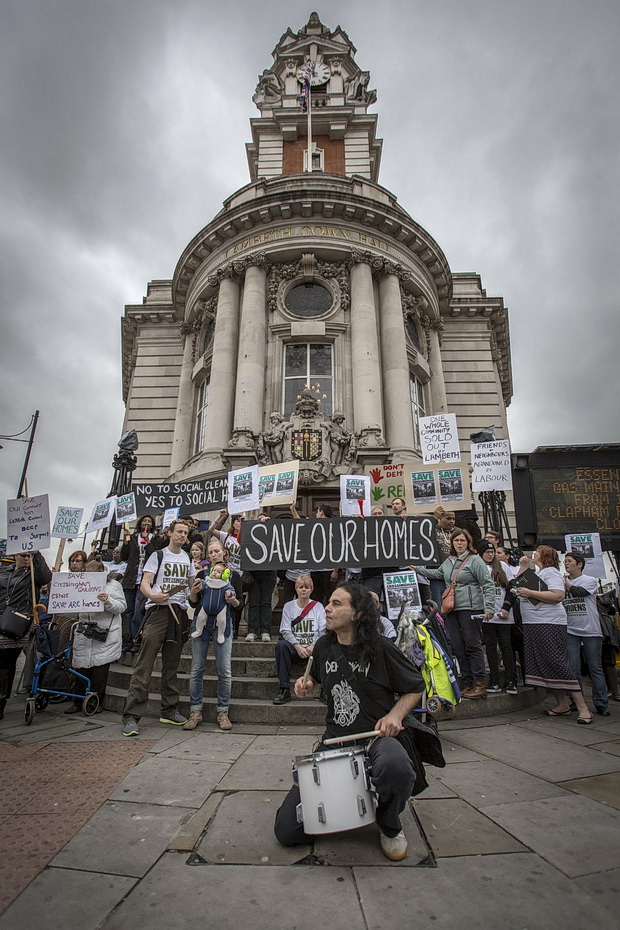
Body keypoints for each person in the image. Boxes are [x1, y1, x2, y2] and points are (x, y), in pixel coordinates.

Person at [274, 583, 424, 861]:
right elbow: (316, 677)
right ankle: (349, 800)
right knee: (287, 832)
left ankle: (389, 824)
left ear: (356, 614)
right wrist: (306, 683)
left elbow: (415, 686)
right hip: (335, 742)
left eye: (336, 604)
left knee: (396, 766)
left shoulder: (381, 648)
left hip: (376, 739)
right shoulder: (323, 646)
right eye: (328, 602)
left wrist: (394, 716)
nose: (327, 608)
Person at [121, 521, 199, 736]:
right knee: (144, 666)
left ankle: (169, 710)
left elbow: (192, 589)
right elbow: (145, 583)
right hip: (157, 613)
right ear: (170, 533)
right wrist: (153, 595)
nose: (183, 535)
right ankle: (131, 716)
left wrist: (196, 591)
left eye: (186, 533)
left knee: (171, 666)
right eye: (179, 532)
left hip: (179, 615)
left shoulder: (187, 559)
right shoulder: (158, 555)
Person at [513, 546, 592, 724]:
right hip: (533, 622)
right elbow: (517, 583)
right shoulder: (539, 573)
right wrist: (524, 566)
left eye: (537, 552)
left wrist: (530, 592)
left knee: (556, 661)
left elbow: (557, 596)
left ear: (545, 556)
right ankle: (561, 704)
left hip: (548, 622)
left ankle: (582, 707)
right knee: (546, 663)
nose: (533, 554)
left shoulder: (552, 573)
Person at [417, 528, 495, 699]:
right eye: (456, 540)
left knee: (472, 645)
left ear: (468, 543)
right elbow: (436, 574)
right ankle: (467, 683)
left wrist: (489, 607)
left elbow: (487, 584)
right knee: (458, 647)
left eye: (463, 541)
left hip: (470, 608)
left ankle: (480, 683)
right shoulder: (449, 562)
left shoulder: (475, 561)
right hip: (452, 610)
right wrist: (416, 569)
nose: (459, 543)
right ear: (451, 543)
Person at [184, 539, 242, 731]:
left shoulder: (234, 577)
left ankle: (223, 711)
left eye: (217, 551)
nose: (213, 555)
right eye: (210, 552)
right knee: (197, 668)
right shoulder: (202, 574)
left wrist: (232, 600)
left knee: (224, 669)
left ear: (225, 553)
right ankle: (195, 711)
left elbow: (238, 605)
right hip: (201, 624)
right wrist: (193, 592)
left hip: (222, 626)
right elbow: (193, 603)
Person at [65, 560, 126, 714]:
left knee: (100, 671)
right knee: (81, 668)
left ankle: (96, 702)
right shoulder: (81, 584)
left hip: (104, 634)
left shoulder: (113, 586)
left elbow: (121, 607)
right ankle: (77, 702)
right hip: (85, 632)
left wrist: (107, 601)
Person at [0, 551, 52, 719]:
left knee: (6, 664)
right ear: (15, 556)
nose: (25, 558)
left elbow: (46, 576)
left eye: (28, 556)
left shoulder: (34, 575)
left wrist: (36, 554)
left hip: (17, 624)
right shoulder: (4, 571)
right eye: (22, 555)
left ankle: (1, 701)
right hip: (1, 619)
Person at [564, 552, 609, 716]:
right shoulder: (564, 582)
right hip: (571, 629)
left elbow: (578, 592)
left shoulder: (589, 580)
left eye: (569, 561)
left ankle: (601, 702)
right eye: (565, 561)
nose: (566, 564)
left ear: (579, 564)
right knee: (573, 668)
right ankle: (577, 701)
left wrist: (565, 583)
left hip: (590, 629)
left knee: (594, 667)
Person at [273, 575, 326, 705]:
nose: (303, 590)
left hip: (313, 647)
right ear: (296, 589)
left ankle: (324, 690)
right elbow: (285, 630)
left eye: (306, 587)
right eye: (300, 587)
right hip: (296, 647)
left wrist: (313, 645)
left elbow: (323, 630)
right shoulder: (289, 606)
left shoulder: (318, 606)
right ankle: (284, 689)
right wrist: (297, 646)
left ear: (311, 589)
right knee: (281, 646)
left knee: (326, 647)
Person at [478, 541, 517, 695]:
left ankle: (511, 680)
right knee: (491, 648)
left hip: (503, 614)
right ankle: (494, 680)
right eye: (486, 551)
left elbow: (512, 588)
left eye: (492, 551)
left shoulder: (502, 566)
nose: (490, 554)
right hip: (487, 615)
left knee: (506, 647)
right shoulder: (478, 566)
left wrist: (506, 607)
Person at [120, 515, 164, 653]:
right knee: (129, 611)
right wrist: (125, 542)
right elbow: (124, 556)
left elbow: (154, 554)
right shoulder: (133, 538)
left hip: (145, 579)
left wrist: (148, 541)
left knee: (139, 611)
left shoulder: (156, 539)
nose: (147, 523)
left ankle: (137, 640)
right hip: (131, 579)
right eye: (145, 520)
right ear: (140, 523)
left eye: (149, 521)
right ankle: (128, 639)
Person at [246, 515, 278, 642]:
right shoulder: (250, 533)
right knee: (254, 603)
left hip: (269, 572)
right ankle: (252, 631)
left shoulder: (271, 532)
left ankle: (265, 631)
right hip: (253, 573)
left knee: (265, 602)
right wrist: (247, 523)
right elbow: (240, 540)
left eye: (263, 518)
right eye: (258, 519)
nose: (261, 520)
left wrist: (268, 524)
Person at [192, 562, 238, 645]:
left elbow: (232, 591)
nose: (215, 572)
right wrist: (198, 582)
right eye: (214, 571)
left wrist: (230, 594)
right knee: (200, 617)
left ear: (224, 574)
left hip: (220, 608)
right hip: (205, 607)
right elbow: (201, 584)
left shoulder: (226, 584)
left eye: (218, 572)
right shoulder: (207, 581)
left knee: (222, 620)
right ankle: (198, 630)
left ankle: (220, 634)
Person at [311, 504, 339, 605]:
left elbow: (337, 549)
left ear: (321, 512)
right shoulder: (312, 526)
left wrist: (335, 570)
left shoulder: (334, 527)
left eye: (317, 511)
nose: (316, 514)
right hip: (314, 570)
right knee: (315, 599)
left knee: (329, 598)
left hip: (328, 570)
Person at [428, 508, 456, 605]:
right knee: (439, 605)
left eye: (453, 519)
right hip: (437, 575)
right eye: (448, 518)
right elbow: (421, 530)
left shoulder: (459, 532)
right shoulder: (432, 529)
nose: (452, 521)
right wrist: (434, 518)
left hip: (456, 576)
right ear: (440, 518)